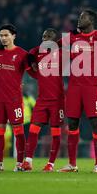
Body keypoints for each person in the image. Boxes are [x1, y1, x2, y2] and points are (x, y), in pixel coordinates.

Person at [58, 9, 97, 173]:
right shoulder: (72, 37)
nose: (79, 19)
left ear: (91, 20)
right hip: (74, 87)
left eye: (82, 17)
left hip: (92, 88)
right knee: (72, 124)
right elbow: (53, 43)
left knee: (96, 124)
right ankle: (72, 164)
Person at [0, 24, 29, 172]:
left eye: (6, 35)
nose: (3, 38)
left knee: (18, 131)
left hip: (14, 100)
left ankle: (19, 164)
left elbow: (32, 70)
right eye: (1, 36)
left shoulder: (22, 54)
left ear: (14, 36)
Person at [24, 28, 65, 172]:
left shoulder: (61, 54)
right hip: (42, 100)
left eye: (48, 37)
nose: (44, 39)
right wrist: (31, 64)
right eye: (43, 36)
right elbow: (29, 54)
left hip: (57, 100)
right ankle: (28, 161)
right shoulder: (38, 52)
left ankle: (51, 164)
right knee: (33, 129)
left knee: (55, 132)